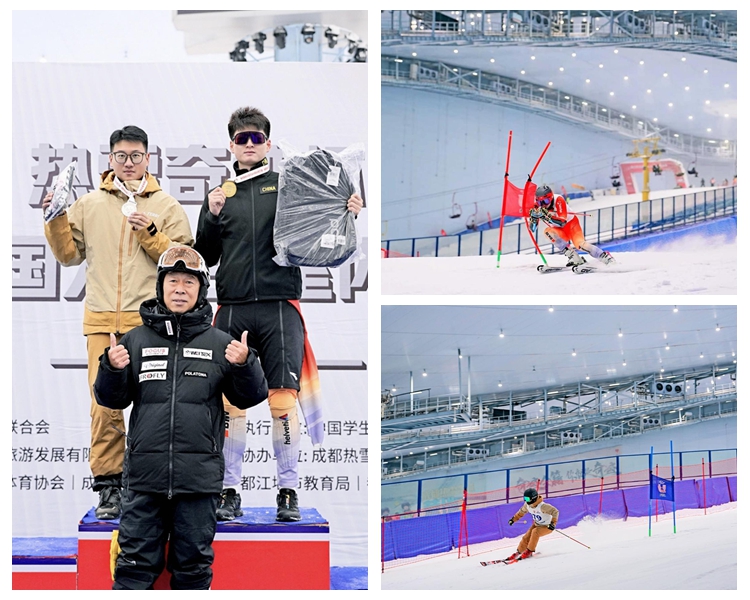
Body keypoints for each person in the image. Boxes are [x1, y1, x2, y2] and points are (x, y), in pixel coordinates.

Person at [195, 106, 363, 523]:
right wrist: (211, 215)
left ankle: (287, 490)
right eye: (241, 138)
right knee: (232, 405)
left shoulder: (289, 183)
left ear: (268, 143)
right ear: (230, 144)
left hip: (279, 306)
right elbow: (205, 256)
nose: (249, 144)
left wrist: (347, 207)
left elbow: (325, 218)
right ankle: (229, 490)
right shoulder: (221, 193)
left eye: (256, 138)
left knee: (283, 401)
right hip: (231, 309)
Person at [93, 246, 268, 589]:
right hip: (145, 480)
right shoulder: (135, 341)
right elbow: (110, 398)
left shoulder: (222, 343)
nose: (180, 289)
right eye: (172, 280)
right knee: (133, 569)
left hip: (198, 483)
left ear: (201, 290)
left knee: (192, 571)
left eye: (189, 282)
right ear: (160, 287)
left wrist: (246, 364)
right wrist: (111, 368)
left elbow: (249, 396)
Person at [42, 125, 194, 520]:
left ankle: (147, 483)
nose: (128, 163)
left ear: (148, 158)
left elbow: (183, 262)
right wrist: (55, 217)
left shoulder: (166, 206)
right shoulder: (90, 204)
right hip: (100, 322)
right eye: (121, 156)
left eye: (136, 156)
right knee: (104, 406)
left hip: (150, 323)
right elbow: (68, 255)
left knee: (153, 406)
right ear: (110, 159)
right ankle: (108, 487)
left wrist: (152, 233)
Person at [530, 185, 614, 267]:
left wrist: (548, 217)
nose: (543, 205)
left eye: (546, 201)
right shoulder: (537, 207)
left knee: (580, 245)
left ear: (551, 198)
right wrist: (533, 219)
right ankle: (574, 257)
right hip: (559, 231)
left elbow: (562, 221)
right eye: (540, 202)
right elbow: (533, 229)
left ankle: (606, 257)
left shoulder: (558, 200)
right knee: (547, 232)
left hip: (571, 226)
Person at [505, 487, 559, 561]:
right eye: (525, 498)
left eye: (527, 499)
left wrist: (553, 523)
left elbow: (555, 511)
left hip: (547, 527)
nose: (525, 500)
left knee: (535, 532)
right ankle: (519, 552)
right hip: (537, 524)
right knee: (526, 537)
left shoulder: (543, 506)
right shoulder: (527, 505)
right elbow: (521, 512)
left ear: (533, 498)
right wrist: (513, 519)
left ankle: (529, 551)